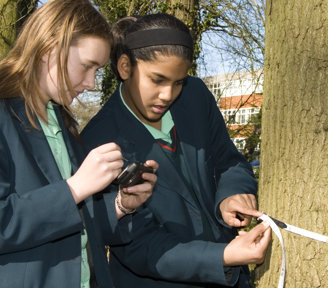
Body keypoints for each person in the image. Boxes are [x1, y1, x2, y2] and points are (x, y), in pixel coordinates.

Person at [81, 13, 271, 288]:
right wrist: (222, 257)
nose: (168, 94)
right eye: (157, 80)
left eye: (178, 81)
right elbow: (139, 247)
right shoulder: (98, 141)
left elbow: (228, 160)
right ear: (125, 67)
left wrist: (230, 196)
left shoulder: (195, 96)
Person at [0, 1, 157, 287]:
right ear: (49, 48)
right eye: (87, 67)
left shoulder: (62, 121)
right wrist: (75, 188)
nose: (92, 83)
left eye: (97, 71)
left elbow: (77, 225)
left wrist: (121, 206)